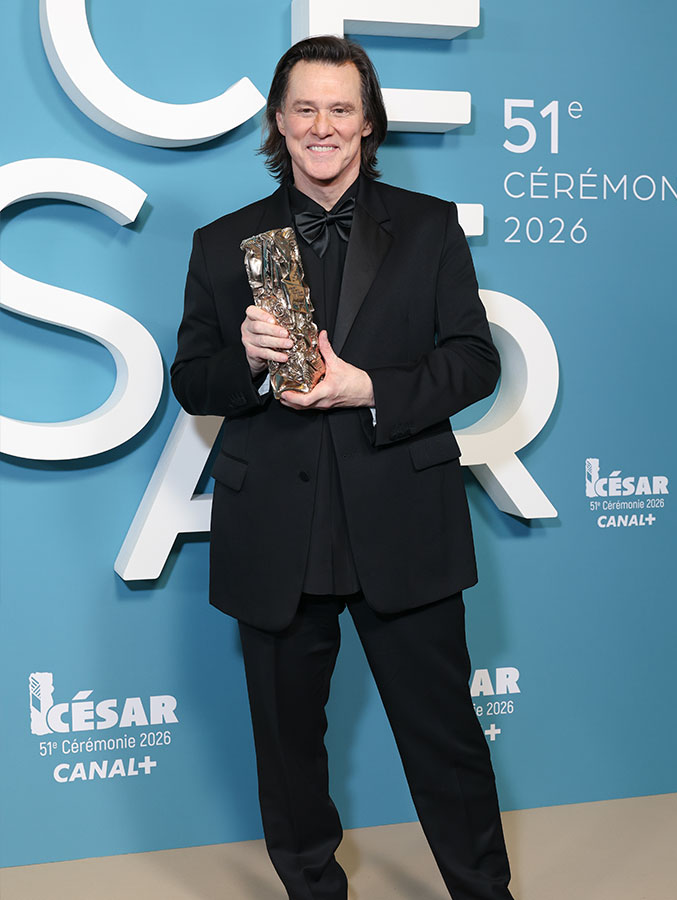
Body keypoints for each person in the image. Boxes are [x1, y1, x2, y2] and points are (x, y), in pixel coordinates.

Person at [171, 35, 514, 900]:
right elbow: (190, 381)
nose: (322, 126)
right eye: (304, 108)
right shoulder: (222, 244)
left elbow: (476, 362)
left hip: (401, 520)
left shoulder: (431, 227)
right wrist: (245, 360)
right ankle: (313, 888)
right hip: (276, 536)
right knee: (287, 750)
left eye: (341, 108)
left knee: (445, 740)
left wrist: (371, 387)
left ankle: (484, 890)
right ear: (278, 122)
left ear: (368, 124)